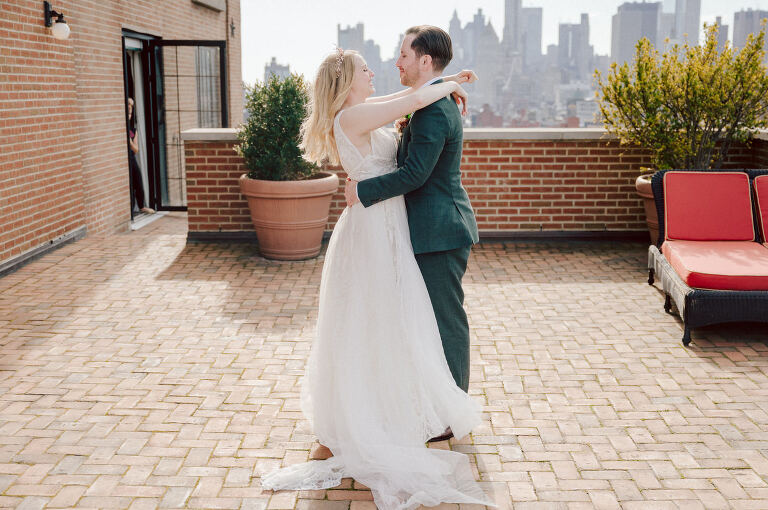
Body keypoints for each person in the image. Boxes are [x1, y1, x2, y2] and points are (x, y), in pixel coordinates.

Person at [260, 38, 494, 509]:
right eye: (366, 70)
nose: (376, 73)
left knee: (392, 318)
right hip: (372, 227)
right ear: (347, 82)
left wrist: (445, 88)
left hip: (388, 224)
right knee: (377, 318)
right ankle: (378, 411)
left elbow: (405, 102)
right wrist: (450, 84)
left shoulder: (365, 110)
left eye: (387, 61)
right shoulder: (352, 117)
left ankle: (405, 404)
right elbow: (409, 100)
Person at [345, 25, 480, 439]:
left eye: (403, 54)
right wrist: (452, 83)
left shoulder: (436, 110)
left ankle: (451, 415)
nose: (396, 62)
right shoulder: (427, 104)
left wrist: (362, 191)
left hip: (440, 231)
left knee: (445, 322)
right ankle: (433, 402)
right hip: (424, 230)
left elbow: (416, 175)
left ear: (424, 61)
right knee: (426, 322)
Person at [127, 98, 154, 215]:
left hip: (132, 158)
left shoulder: (133, 130)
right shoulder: (121, 127)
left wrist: (129, 142)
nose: (129, 114)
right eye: (127, 111)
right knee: (129, 183)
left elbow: (136, 149)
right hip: (124, 160)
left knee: (138, 179)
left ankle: (142, 206)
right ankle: (130, 209)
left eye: (130, 112)